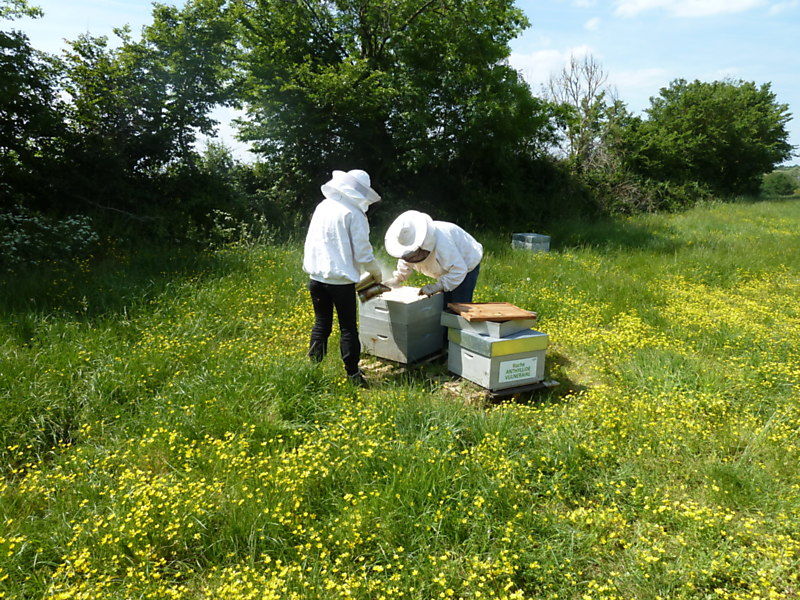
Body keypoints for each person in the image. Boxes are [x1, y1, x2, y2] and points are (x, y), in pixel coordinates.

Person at [303, 169, 382, 386]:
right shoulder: (354, 214)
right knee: (348, 327)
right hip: (340, 282)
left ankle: (313, 369)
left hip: (316, 278)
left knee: (321, 324)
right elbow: (363, 251)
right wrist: (374, 270)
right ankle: (353, 374)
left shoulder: (323, 206)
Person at [384, 210, 483, 305]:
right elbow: (405, 262)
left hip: (466, 262)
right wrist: (397, 279)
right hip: (450, 264)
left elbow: (459, 270)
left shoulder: (443, 244)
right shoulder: (410, 247)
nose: (411, 257)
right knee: (444, 303)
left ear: (423, 244)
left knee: (459, 304)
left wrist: (438, 286)